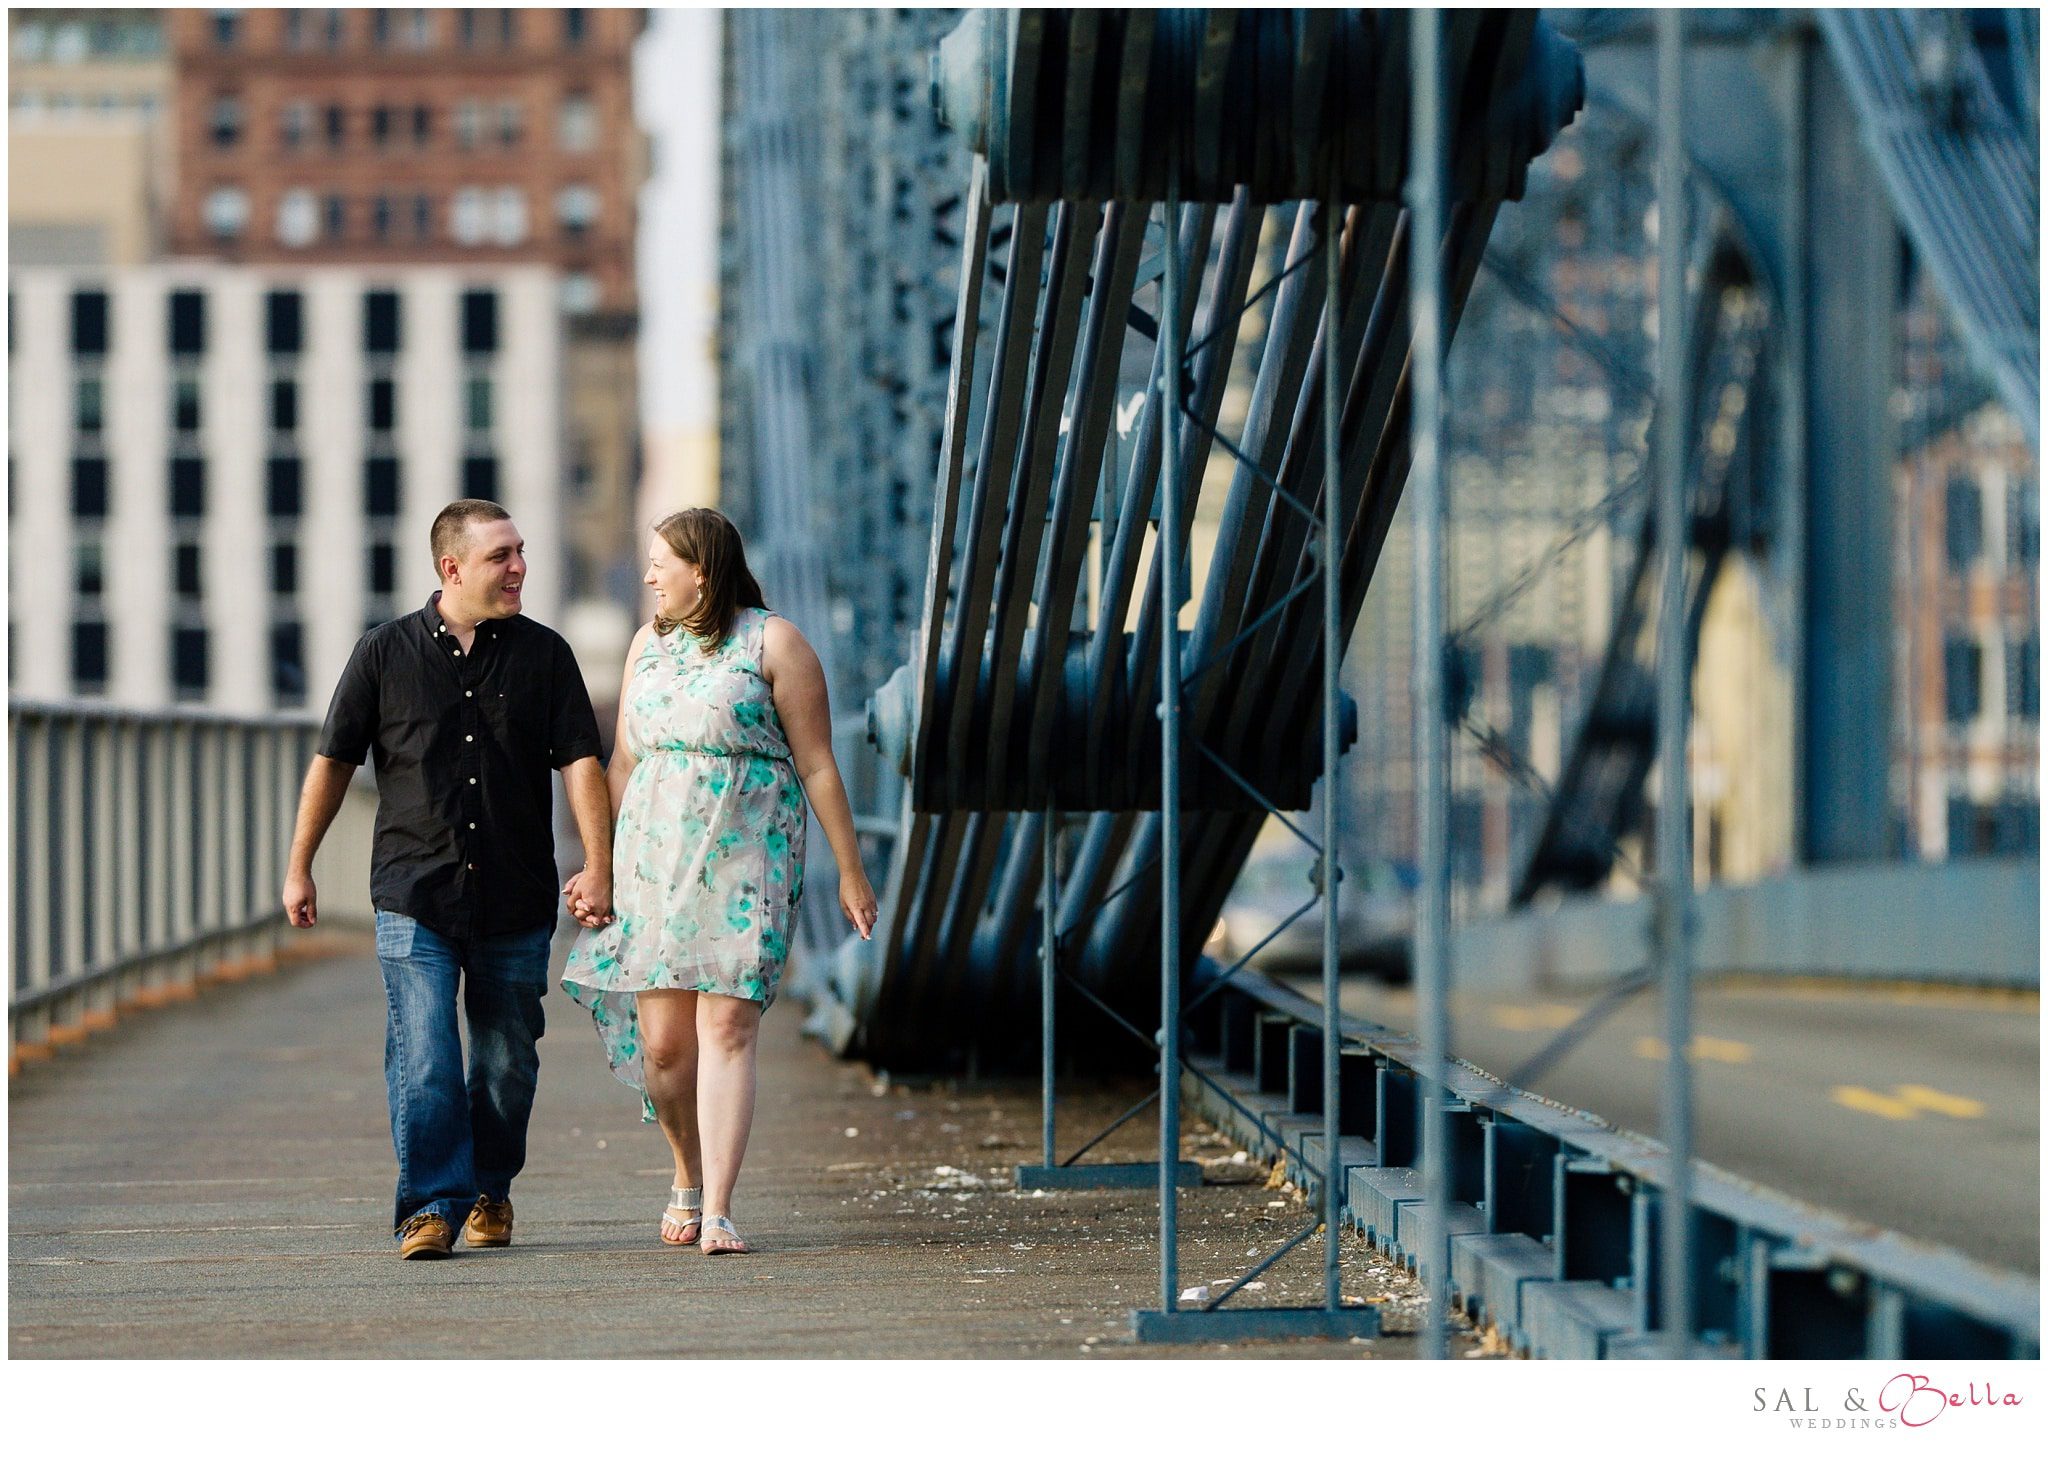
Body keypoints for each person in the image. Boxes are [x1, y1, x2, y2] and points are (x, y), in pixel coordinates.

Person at [282, 499, 614, 1260]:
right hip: (414, 892)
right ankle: (430, 1205)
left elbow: (580, 765)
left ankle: (490, 1190)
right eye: (502, 556)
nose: (520, 567)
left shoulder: (545, 655)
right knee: (426, 1054)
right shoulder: (383, 653)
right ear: (452, 568)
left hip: (516, 892)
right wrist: (300, 865)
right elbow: (333, 761)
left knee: (505, 1062)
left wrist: (598, 865)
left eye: (521, 551)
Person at [560, 507, 878, 1256]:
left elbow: (819, 765)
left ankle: (722, 1210)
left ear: (700, 570)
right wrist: (598, 866)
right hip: (654, 865)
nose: (648, 577)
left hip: (748, 858)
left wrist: (852, 874)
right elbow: (624, 764)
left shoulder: (776, 643)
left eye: (659, 564)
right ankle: (686, 1171)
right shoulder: (647, 646)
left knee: (728, 1029)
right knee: (665, 1049)